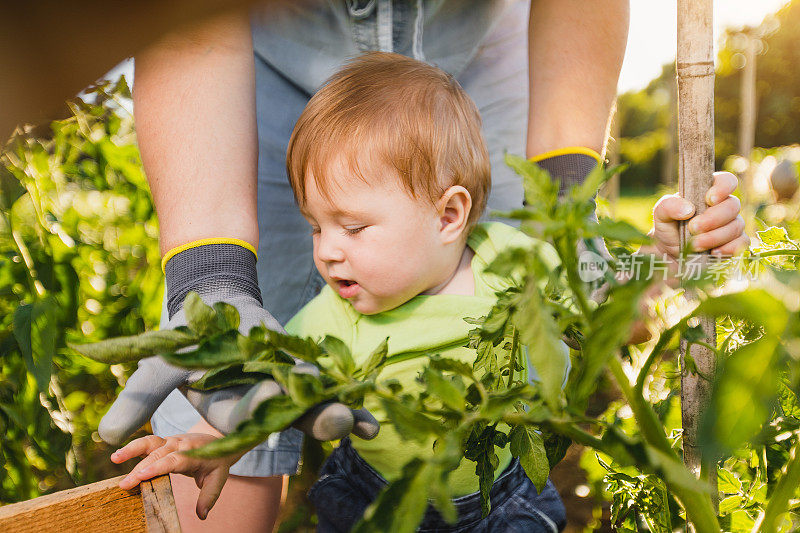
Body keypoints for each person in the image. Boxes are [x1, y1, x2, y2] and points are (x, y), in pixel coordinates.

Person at [111, 52, 748, 531]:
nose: (327, 250)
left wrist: (670, 252)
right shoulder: (330, 317)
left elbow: (607, 298)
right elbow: (275, 395)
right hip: (373, 494)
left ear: (449, 216)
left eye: (353, 226)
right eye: (316, 226)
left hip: (504, 500)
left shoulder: (514, 262)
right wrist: (219, 443)